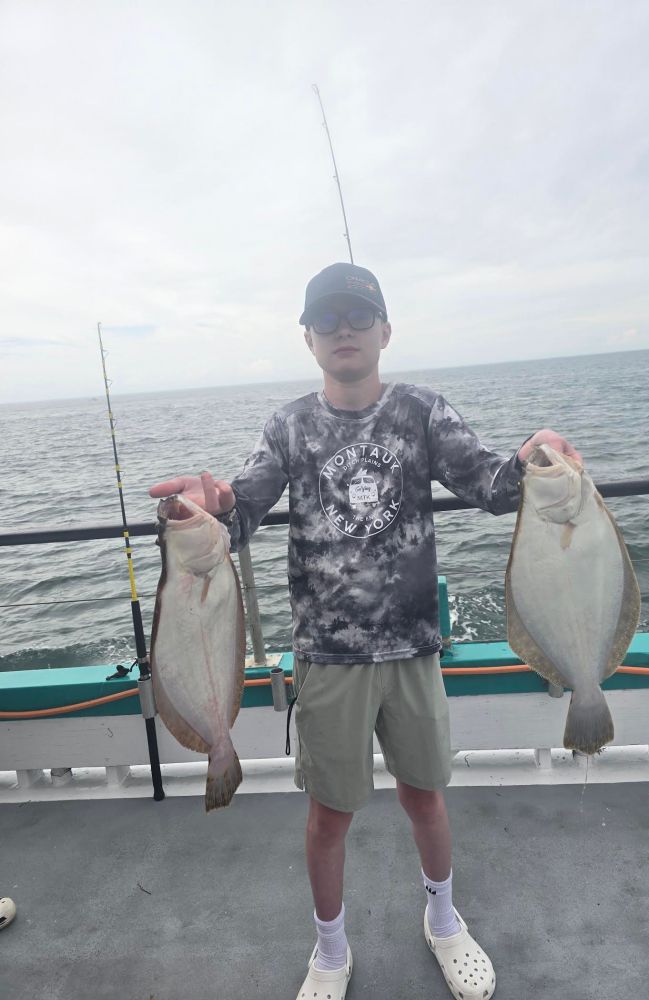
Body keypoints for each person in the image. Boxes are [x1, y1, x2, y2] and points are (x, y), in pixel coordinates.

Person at [150, 263, 582, 1000]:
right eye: (328, 320)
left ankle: (444, 923)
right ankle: (329, 950)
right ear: (309, 339)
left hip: (414, 646)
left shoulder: (421, 410)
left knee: (426, 798)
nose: (343, 330)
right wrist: (204, 506)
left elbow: (488, 485)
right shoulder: (288, 425)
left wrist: (536, 458)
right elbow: (241, 514)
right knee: (328, 816)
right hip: (328, 655)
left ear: (385, 331)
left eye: (359, 317)